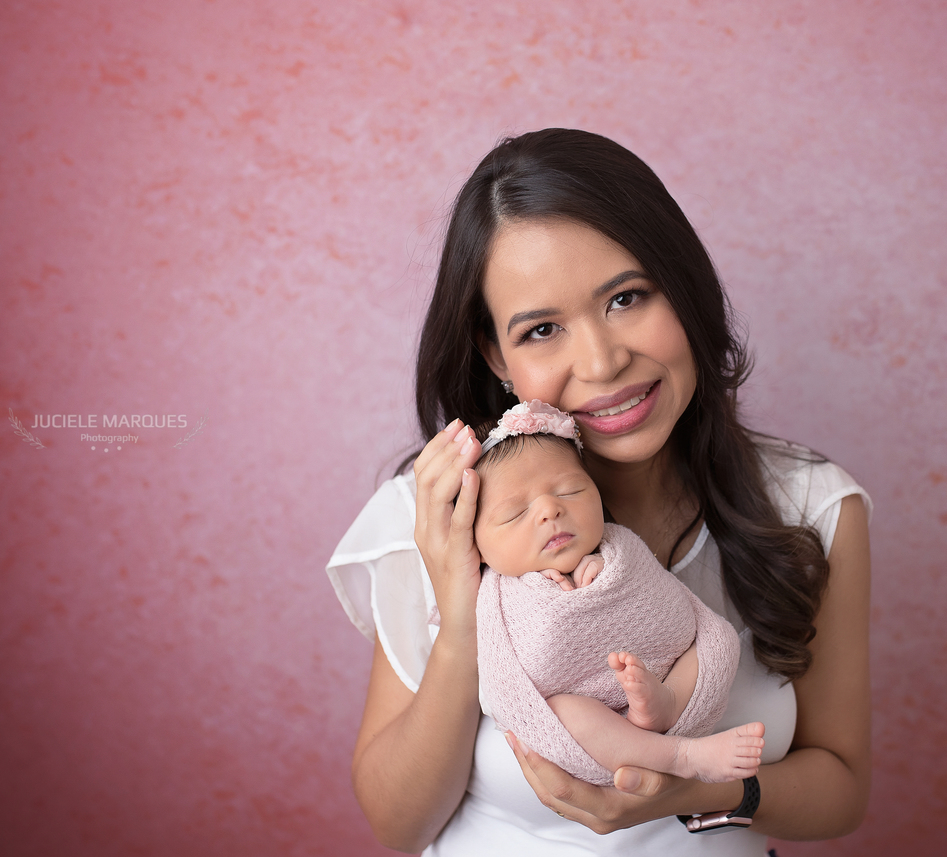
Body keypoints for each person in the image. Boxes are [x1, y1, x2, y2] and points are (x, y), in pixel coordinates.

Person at [325, 128, 872, 856]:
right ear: (496, 355)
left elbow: (841, 791)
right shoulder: (434, 516)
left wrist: (698, 792)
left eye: (626, 297)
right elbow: (399, 826)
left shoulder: (811, 508)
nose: (602, 361)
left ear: (685, 287)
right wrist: (460, 621)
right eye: (541, 329)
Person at [468, 399, 765, 786]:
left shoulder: (618, 547)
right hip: (585, 712)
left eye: (570, 490)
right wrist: (551, 595)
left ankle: (668, 701)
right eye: (514, 513)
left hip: (659, 673)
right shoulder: (493, 595)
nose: (549, 511)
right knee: (566, 714)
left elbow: (668, 613)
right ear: (474, 541)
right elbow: (503, 681)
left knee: (717, 642)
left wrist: (609, 574)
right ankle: (680, 756)